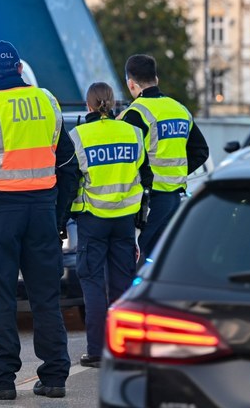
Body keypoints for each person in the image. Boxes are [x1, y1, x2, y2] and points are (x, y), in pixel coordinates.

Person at [0, 40, 78, 400]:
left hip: (2, 213)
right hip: (42, 211)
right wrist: (59, 216)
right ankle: (54, 377)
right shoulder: (48, 101)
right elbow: (68, 166)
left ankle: (2, 379)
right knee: (45, 296)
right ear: (20, 69)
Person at [68, 82, 153, 368]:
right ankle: (124, 348)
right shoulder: (133, 133)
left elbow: (69, 181)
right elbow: (146, 175)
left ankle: (96, 350)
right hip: (124, 221)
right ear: (113, 103)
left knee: (92, 284)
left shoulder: (78, 136)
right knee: (122, 284)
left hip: (92, 219)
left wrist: (61, 217)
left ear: (88, 105)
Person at [120, 54, 209, 259]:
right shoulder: (180, 109)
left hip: (147, 201)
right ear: (156, 79)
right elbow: (201, 151)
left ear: (131, 84)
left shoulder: (135, 113)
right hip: (174, 198)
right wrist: (177, 172)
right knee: (163, 257)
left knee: (135, 256)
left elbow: (128, 159)